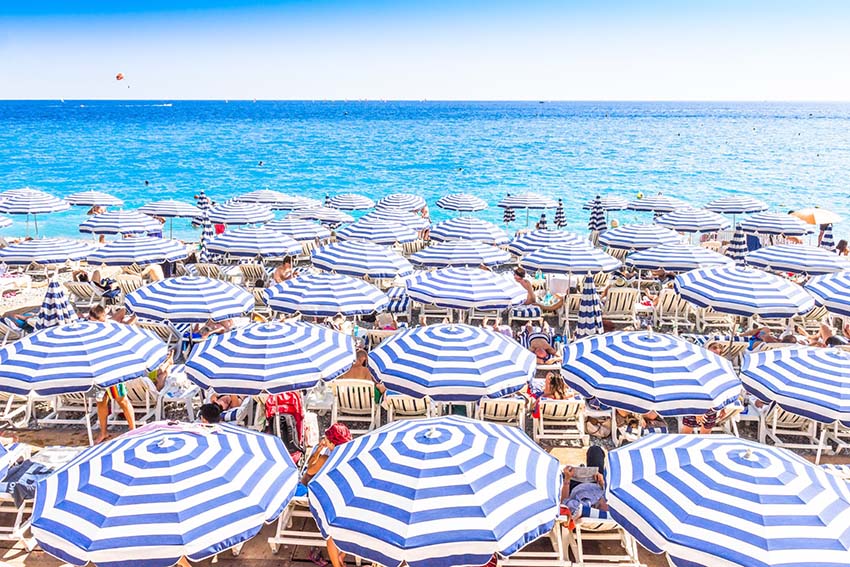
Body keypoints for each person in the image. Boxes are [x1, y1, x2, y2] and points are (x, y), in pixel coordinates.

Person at [299, 423, 353, 567]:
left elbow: (309, 469)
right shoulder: (347, 456)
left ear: (331, 443)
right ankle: (340, 558)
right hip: (328, 494)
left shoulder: (324, 458)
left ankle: (338, 562)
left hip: (320, 492)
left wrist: (318, 449)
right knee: (344, 526)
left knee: (333, 530)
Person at [561, 446, 608, 519]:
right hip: (598, 483)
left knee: (560, 475)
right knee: (595, 450)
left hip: (576, 486)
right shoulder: (611, 512)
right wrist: (602, 483)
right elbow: (607, 496)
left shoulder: (579, 507)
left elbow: (564, 503)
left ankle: (579, 469)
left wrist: (567, 480)